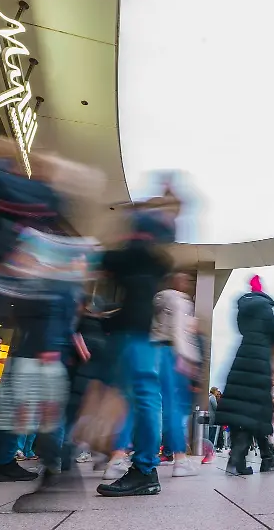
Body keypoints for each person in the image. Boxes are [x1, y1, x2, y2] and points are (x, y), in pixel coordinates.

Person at [95, 207, 174, 497]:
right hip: (140, 334)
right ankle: (142, 466)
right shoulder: (154, 260)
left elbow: (108, 259)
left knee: (141, 398)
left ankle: (143, 469)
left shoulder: (131, 256)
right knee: (142, 398)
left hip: (132, 334)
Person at [215, 276, 274, 475]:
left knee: (247, 410)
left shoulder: (242, 310)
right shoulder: (266, 309)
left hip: (242, 358)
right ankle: (239, 458)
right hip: (259, 362)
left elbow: (244, 330)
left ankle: (260, 459)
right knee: (255, 411)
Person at [151, 272, 201, 477]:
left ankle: (151, 452)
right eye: (186, 280)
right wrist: (190, 360)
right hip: (174, 354)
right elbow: (180, 332)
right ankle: (180, 459)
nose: (188, 283)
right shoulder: (180, 302)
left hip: (155, 352)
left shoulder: (158, 300)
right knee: (175, 408)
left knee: (155, 407)